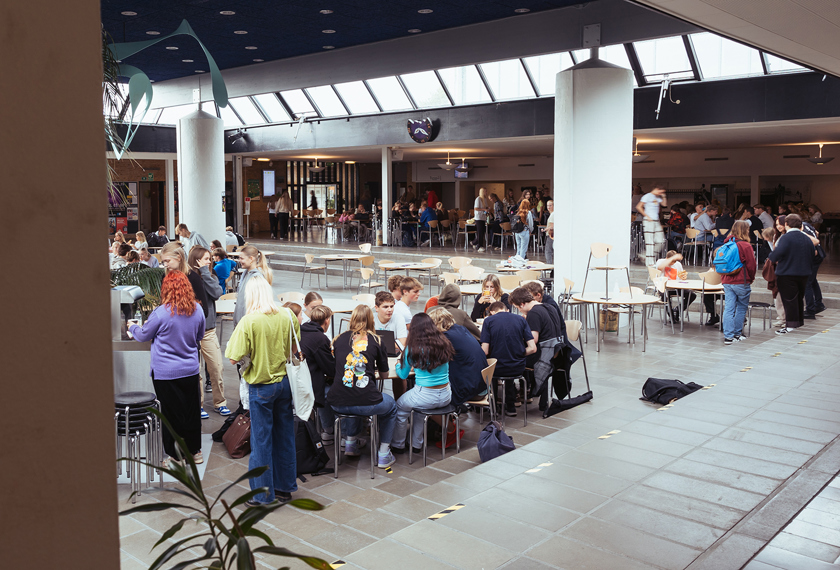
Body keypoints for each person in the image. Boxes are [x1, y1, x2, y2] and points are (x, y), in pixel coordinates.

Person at [225, 275, 298, 505]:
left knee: (261, 441)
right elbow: (295, 348)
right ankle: (285, 488)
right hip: (285, 384)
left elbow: (233, 358)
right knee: (285, 436)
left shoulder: (249, 321)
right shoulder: (287, 315)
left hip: (261, 386)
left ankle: (263, 495)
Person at [128, 271, 205, 465]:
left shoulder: (161, 313)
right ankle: (195, 452)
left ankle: (176, 457)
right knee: (191, 411)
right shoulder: (198, 310)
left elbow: (143, 335)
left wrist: (132, 327)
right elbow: (199, 336)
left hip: (165, 372)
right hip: (189, 369)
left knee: (171, 414)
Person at [328, 305, 397, 468]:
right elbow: (385, 375)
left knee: (352, 395)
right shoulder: (377, 340)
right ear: (371, 319)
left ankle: (351, 442)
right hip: (366, 403)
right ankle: (384, 453)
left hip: (337, 402)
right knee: (391, 406)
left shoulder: (338, 339)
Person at [392, 313, 453, 454]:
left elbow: (402, 375)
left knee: (400, 407)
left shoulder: (412, 348)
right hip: (445, 394)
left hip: (425, 394)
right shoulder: (444, 343)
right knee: (419, 412)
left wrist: (398, 364)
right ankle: (415, 445)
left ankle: (398, 444)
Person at [186, 246, 229, 416]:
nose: (209, 261)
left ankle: (220, 402)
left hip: (209, 330)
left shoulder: (210, 276)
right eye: (205, 259)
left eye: (210, 258)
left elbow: (217, 292)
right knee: (196, 371)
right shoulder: (187, 278)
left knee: (216, 367)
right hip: (191, 332)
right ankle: (199, 404)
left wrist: (205, 272)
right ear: (195, 260)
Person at [509, 287, 565, 411]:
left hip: (543, 356)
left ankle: (512, 396)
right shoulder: (548, 306)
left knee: (512, 356)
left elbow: (533, 339)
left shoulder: (533, 313)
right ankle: (529, 392)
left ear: (522, 304)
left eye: (518, 307)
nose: (519, 310)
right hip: (557, 353)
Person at [232, 244, 274, 409]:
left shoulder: (257, 278)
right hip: (242, 327)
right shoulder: (246, 274)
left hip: (249, 329)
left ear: (251, 259)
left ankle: (249, 406)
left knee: (247, 369)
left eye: (241, 258)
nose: (239, 261)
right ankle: (245, 404)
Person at [480, 301, 536, 417]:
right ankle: (510, 406)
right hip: (518, 368)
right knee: (508, 364)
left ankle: (493, 406)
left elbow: (485, 351)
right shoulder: (521, 320)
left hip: (498, 368)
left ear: (491, 312)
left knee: (491, 366)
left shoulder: (488, 321)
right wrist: (518, 354)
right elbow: (532, 348)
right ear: (506, 310)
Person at [428, 307, 487, 414]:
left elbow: (432, 361)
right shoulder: (461, 329)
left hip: (470, 389)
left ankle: (443, 423)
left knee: (430, 394)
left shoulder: (445, 337)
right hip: (481, 385)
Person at [770, 214, 818, 334]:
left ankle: (790, 325)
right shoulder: (806, 238)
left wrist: (773, 257)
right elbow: (813, 253)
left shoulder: (786, 238)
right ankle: (798, 322)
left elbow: (776, 254)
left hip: (787, 273)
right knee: (798, 299)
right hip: (804, 273)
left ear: (786, 224)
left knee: (789, 300)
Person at [299, 305, 337, 442]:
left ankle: (328, 430)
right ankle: (339, 432)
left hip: (297, 381)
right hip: (310, 386)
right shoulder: (320, 338)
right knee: (336, 391)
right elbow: (331, 369)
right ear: (327, 320)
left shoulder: (301, 331)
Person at [656, 251, 718, 325]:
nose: (673, 263)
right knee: (664, 296)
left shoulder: (677, 264)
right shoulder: (661, 261)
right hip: (663, 287)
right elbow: (659, 267)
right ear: (667, 258)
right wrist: (672, 258)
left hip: (676, 287)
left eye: (675, 261)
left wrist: (683, 277)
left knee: (692, 295)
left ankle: (678, 310)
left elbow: (681, 276)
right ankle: (671, 316)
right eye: (672, 261)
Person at [721, 221, 757, 345]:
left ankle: (728, 337)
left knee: (729, 308)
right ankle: (737, 334)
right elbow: (752, 266)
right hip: (741, 280)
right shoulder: (746, 246)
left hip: (726, 280)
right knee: (741, 308)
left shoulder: (726, 243)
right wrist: (751, 278)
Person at [801, 220, 826, 319]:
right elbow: (817, 233)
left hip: (814, 257)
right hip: (818, 255)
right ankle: (819, 303)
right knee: (812, 280)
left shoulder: (801, 229)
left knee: (807, 282)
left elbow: (814, 243)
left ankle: (810, 310)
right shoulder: (806, 225)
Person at [762, 227, 786, 328]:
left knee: (779, 294)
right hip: (779, 269)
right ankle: (782, 316)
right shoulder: (774, 241)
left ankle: (783, 317)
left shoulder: (779, 241)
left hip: (780, 270)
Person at [637, 185, 667, 266]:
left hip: (656, 221)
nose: (661, 193)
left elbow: (664, 204)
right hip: (648, 221)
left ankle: (645, 255)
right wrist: (646, 216)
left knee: (661, 241)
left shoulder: (657, 197)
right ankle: (650, 262)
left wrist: (663, 196)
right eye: (660, 191)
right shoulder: (647, 196)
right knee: (650, 242)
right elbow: (639, 206)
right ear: (656, 189)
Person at [471, 188, 489, 252]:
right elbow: (476, 208)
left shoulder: (485, 199)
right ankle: (479, 245)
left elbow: (485, 207)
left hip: (483, 217)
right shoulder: (478, 199)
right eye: (485, 191)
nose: (486, 193)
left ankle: (474, 242)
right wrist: (484, 209)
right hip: (478, 218)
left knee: (482, 232)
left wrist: (487, 208)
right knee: (480, 232)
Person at [544, 199, 555, 263]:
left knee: (548, 251)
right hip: (551, 234)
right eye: (547, 205)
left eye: (550, 205)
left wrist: (545, 229)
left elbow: (552, 226)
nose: (548, 207)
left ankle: (549, 265)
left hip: (551, 235)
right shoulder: (552, 214)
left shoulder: (553, 214)